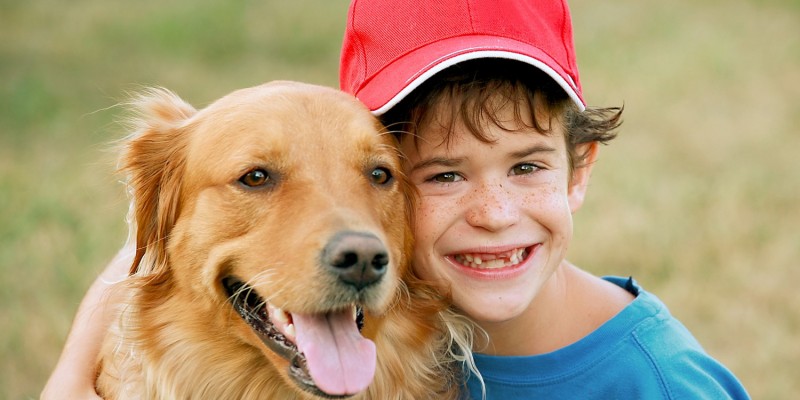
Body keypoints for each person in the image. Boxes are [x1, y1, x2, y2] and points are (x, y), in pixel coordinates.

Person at [44, 0, 749, 399]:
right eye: (440, 175)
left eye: (527, 165)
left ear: (578, 168)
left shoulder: (661, 383)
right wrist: (72, 379)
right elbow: (146, 252)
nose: (494, 211)